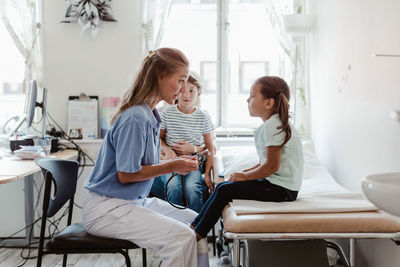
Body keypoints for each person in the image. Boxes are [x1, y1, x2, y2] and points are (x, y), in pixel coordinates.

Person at [82, 48, 209, 267]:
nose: (182, 89)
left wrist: (174, 165)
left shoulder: (151, 115)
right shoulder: (135, 118)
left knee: (198, 223)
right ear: (160, 75)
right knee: (181, 238)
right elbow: (126, 175)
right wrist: (172, 166)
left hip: (131, 203)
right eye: (180, 81)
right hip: (108, 210)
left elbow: (138, 166)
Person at [190, 76, 304, 240]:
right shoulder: (275, 123)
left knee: (223, 190)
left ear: (268, 103)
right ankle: (195, 226)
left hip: (282, 190)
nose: (247, 99)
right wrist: (243, 173)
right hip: (281, 187)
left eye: (252, 96)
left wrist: (245, 176)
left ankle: (196, 233)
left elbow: (271, 167)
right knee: (226, 185)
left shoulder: (274, 125)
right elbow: (264, 163)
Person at [150, 72, 215, 212]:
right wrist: (168, 150)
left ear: (199, 93)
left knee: (192, 188)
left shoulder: (203, 116)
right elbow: (158, 138)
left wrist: (208, 175)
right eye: (183, 91)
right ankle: (177, 223)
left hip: (193, 162)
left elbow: (210, 147)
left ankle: (197, 226)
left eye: (192, 91)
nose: (187, 95)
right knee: (173, 187)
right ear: (177, 92)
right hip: (171, 162)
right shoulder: (167, 112)